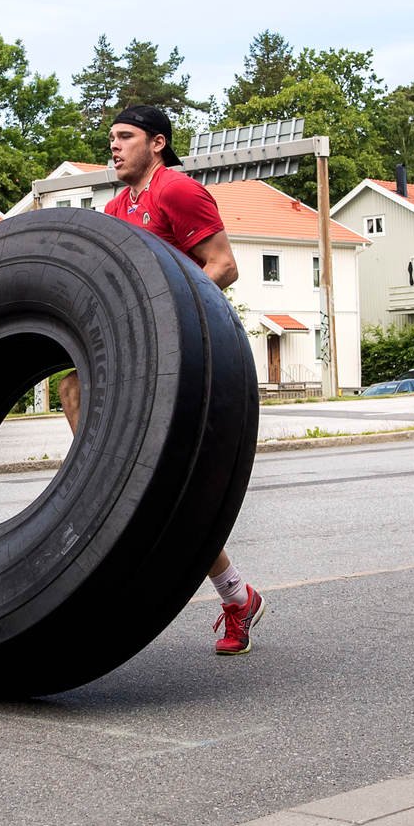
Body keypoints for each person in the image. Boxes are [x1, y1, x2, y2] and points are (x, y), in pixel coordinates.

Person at [55, 105, 266, 656]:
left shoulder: (177, 191)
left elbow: (223, 266)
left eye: (125, 137)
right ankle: (236, 594)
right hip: (136, 347)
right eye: (111, 139)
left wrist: (168, 322)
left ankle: (236, 598)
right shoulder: (117, 207)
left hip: (187, 349)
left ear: (157, 143)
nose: (114, 147)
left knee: (175, 496)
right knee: (73, 391)